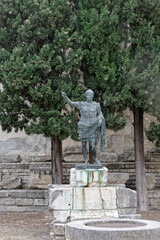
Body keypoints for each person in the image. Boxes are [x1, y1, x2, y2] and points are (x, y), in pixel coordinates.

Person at [61, 89, 106, 167]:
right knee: (84, 144)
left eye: (91, 95)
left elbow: (100, 114)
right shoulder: (81, 104)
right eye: (88, 95)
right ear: (85, 96)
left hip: (92, 126)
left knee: (93, 145)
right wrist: (65, 97)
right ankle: (85, 160)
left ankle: (95, 158)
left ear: (93, 96)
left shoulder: (96, 105)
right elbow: (71, 103)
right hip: (83, 126)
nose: (89, 96)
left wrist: (100, 119)